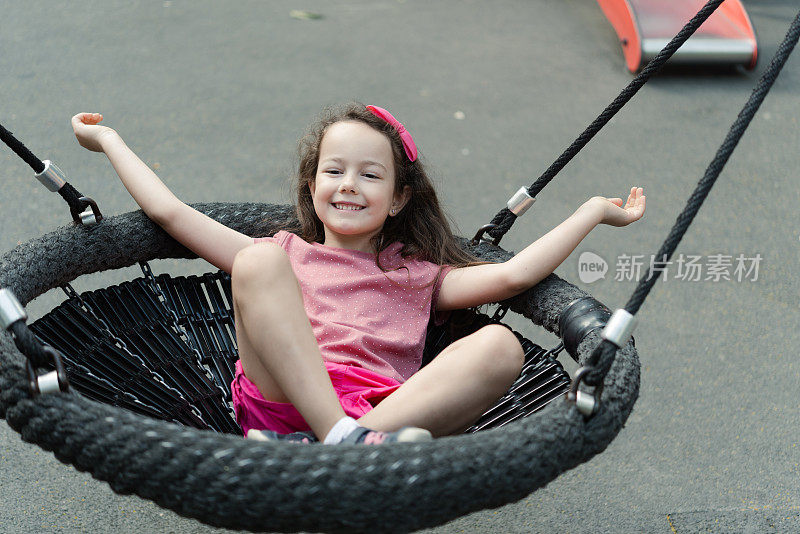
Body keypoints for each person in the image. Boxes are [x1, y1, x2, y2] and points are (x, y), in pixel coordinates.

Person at [70, 103, 645, 446]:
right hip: (281, 398)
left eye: (370, 176)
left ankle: (341, 444)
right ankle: (342, 441)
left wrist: (592, 210)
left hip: (377, 409)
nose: (348, 184)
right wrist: (109, 140)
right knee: (256, 260)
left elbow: (515, 274)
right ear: (312, 186)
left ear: (398, 199)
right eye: (334, 171)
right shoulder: (286, 251)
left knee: (499, 345)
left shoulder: (418, 275)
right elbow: (171, 213)